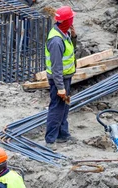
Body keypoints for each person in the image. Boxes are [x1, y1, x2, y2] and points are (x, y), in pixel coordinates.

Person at [45, 5, 77, 150]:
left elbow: (70, 52)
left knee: (64, 107)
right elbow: (56, 67)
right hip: (59, 79)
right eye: (71, 19)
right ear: (66, 21)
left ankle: (63, 135)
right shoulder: (56, 40)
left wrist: (74, 36)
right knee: (56, 108)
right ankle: (50, 140)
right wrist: (60, 88)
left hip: (66, 77)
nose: (73, 21)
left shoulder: (64, 33)